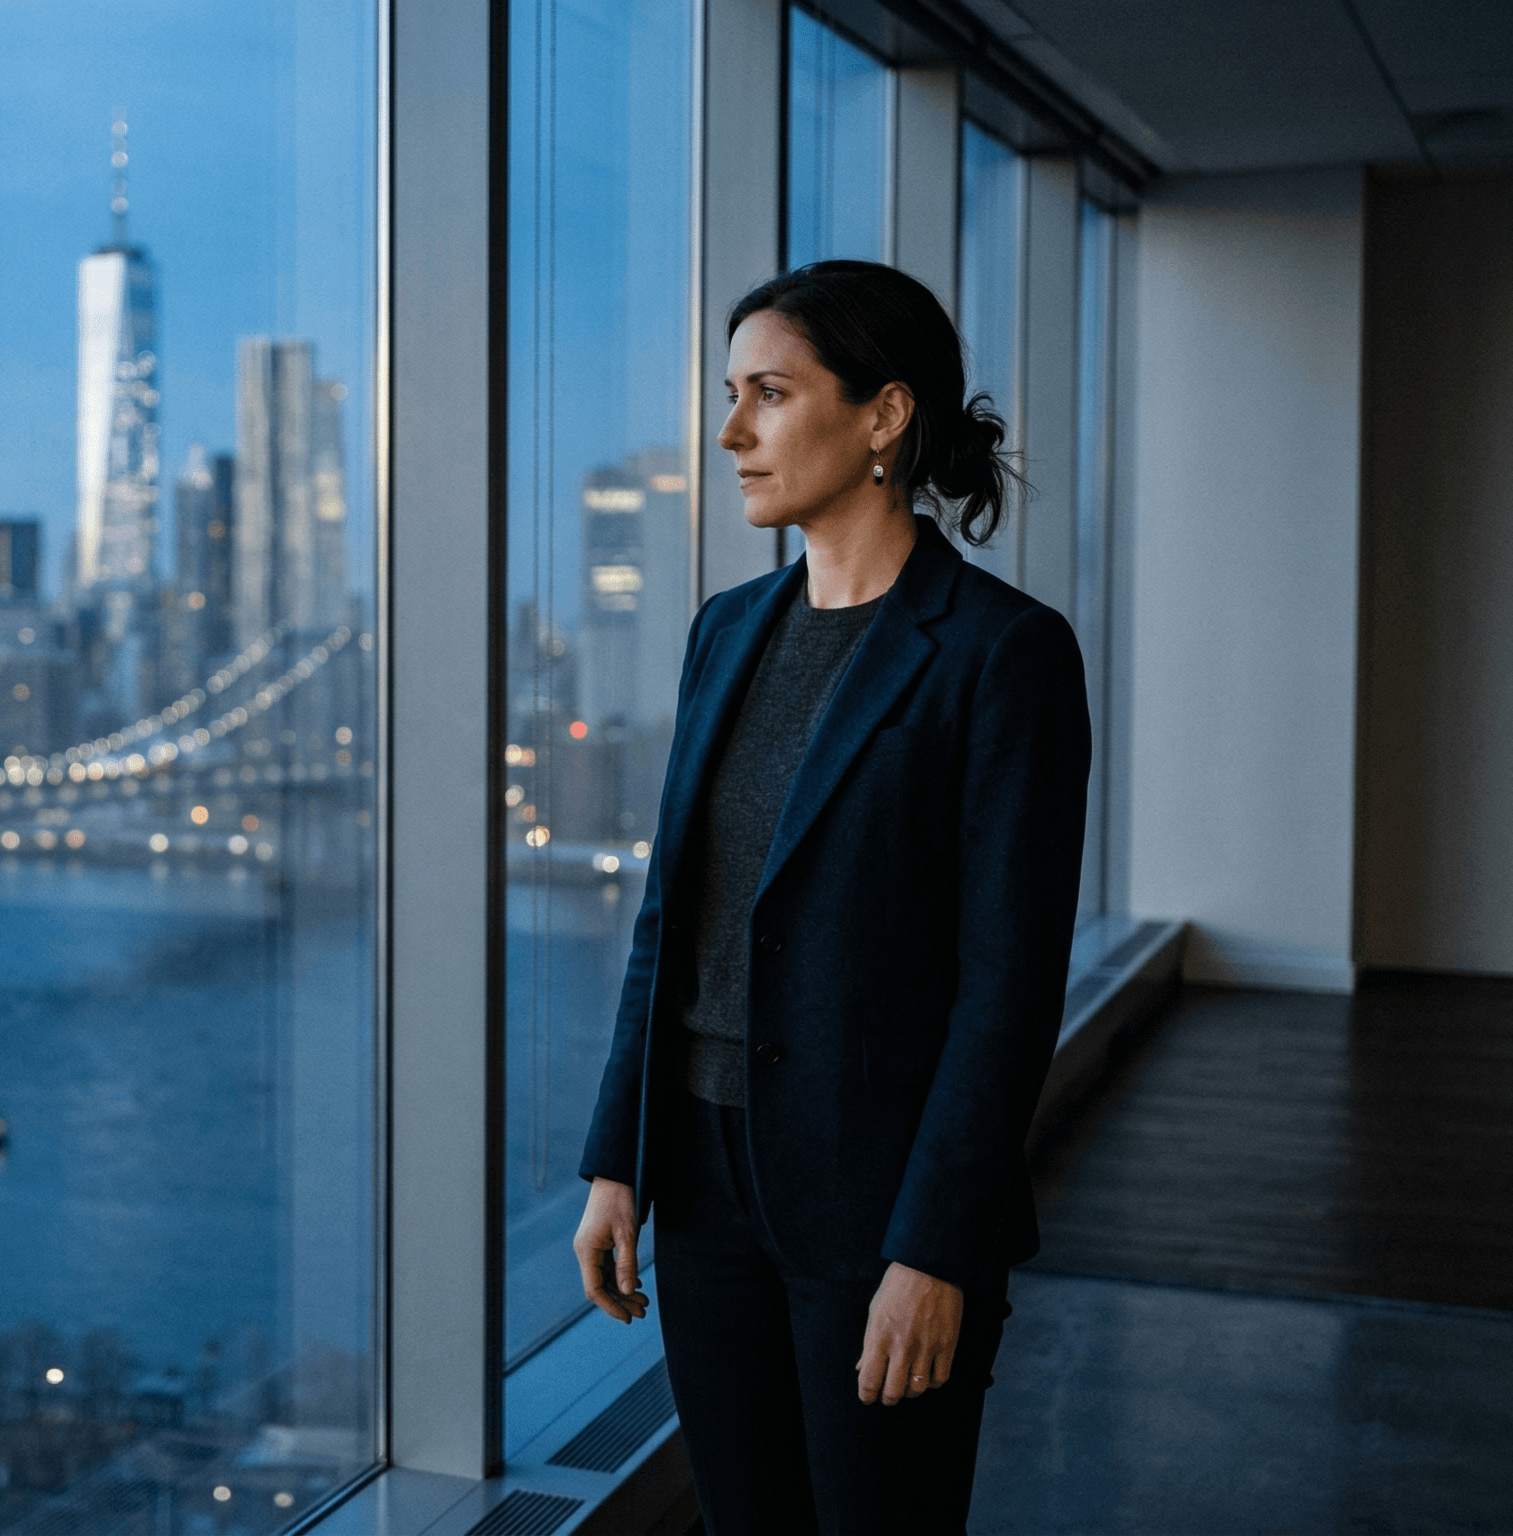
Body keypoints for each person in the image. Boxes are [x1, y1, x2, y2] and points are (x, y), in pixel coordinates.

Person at [570, 259, 1092, 1534]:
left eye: (768, 394)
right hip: (703, 1185)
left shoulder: (1002, 654)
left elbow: (1006, 987)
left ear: (882, 416)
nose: (730, 432)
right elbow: (670, 922)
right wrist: (615, 1163)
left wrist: (936, 1248)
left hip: (879, 1198)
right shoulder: (724, 629)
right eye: (729, 395)